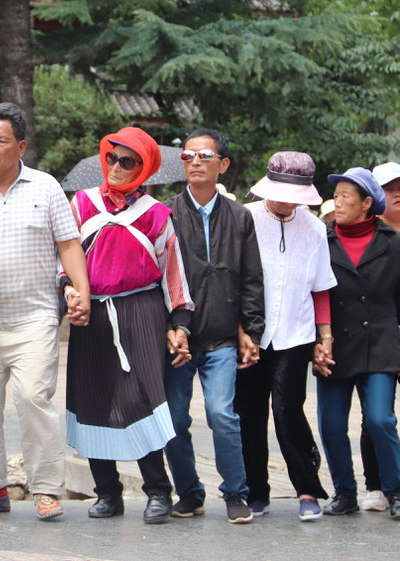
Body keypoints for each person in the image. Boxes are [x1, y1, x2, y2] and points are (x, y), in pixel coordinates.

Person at [0, 102, 90, 521]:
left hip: (34, 318)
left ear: (21, 145)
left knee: (34, 398)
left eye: (1, 141)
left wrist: (81, 292)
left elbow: (69, 244)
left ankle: (46, 489)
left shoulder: (45, 187)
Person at [66, 127, 194, 523]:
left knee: (142, 399)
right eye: (112, 158)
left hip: (142, 312)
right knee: (94, 399)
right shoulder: (81, 204)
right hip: (91, 312)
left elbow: (174, 276)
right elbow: (64, 258)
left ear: (145, 168)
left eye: (127, 162)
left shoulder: (157, 215)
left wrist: (180, 325)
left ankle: (158, 491)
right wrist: (70, 292)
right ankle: (107, 492)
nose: (116, 168)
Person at [163, 128, 264, 524]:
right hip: (179, 338)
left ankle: (236, 493)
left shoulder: (241, 218)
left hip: (222, 338)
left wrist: (251, 332)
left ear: (222, 164)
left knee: (222, 414)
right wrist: (175, 326)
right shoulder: (165, 214)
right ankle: (189, 492)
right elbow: (163, 279)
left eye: (204, 155)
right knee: (174, 419)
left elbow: (252, 279)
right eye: (188, 156)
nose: (195, 162)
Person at [235, 152, 336, 521]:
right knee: (249, 412)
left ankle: (308, 489)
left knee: (287, 409)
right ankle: (256, 491)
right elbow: (236, 283)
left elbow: (321, 288)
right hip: (252, 333)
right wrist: (241, 331)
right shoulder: (247, 218)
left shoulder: (313, 228)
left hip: (296, 332)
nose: (282, 200)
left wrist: (325, 338)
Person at [314, 167, 400, 520]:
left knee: (380, 419)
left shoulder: (393, 242)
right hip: (335, 345)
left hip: (381, 343)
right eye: (336, 195)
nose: (339, 200)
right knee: (332, 425)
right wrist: (319, 342)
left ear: (367, 203)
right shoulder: (322, 239)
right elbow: (314, 292)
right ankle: (344, 493)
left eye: (347, 195)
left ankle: (394, 490)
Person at [356, 161, 400, 512]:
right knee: (376, 414)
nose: (397, 194)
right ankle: (378, 485)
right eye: (389, 188)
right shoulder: (365, 233)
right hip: (377, 337)